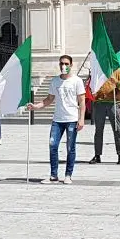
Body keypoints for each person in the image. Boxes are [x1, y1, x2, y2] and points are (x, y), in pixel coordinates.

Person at [28, 54, 85, 183]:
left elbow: (82, 101)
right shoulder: (55, 81)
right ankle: (54, 175)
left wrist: (81, 119)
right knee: (52, 145)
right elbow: (49, 99)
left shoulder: (77, 81)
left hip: (71, 119)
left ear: (71, 65)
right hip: (57, 119)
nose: (63, 66)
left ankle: (68, 175)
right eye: (61, 64)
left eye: (66, 64)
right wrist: (36, 106)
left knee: (70, 147)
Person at [89, 68, 120, 165]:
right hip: (99, 103)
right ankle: (97, 155)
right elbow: (91, 85)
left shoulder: (118, 71)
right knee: (98, 131)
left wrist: (116, 83)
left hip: (113, 103)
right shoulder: (97, 70)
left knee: (117, 130)